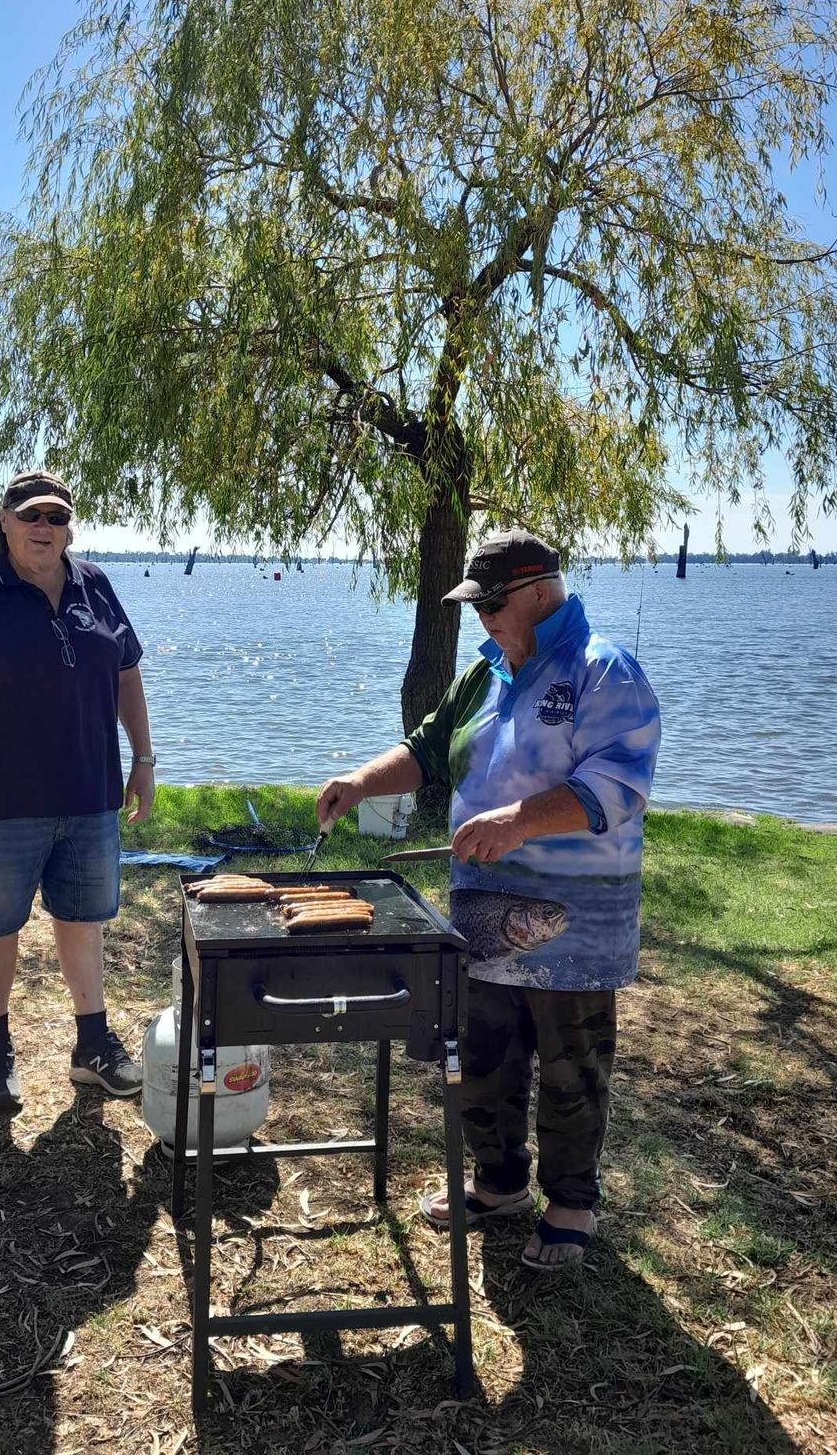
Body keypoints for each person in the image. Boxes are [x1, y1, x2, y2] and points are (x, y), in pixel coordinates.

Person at [316, 528, 659, 1269]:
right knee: (480, 1058)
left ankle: (572, 1203)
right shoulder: (485, 671)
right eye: (474, 605)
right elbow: (428, 748)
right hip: (478, 914)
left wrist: (521, 820)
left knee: (572, 1069)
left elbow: (621, 785)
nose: (482, 617)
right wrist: (360, 783)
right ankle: (498, 1184)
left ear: (539, 592)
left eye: (492, 603)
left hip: (573, 926)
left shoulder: (604, 669)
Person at [0, 470, 156, 1112]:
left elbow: (127, 675)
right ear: (5, 522)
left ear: (68, 527)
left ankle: (92, 1048)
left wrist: (144, 761)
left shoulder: (95, 585)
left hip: (89, 794)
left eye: (55, 517)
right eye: (30, 516)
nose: (43, 528)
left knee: (83, 920)